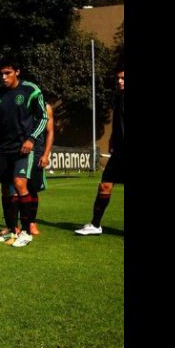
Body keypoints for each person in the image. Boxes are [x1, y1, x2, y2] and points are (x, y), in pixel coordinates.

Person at [0, 57, 49, 248]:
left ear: (17, 72)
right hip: (5, 148)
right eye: (0, 73)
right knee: (5, 189)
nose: (3, 77)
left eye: (7, 73)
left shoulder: (31, 90)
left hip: (24, 148)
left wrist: (31, 139)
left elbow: (43, 118)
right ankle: (11, 228)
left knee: (19, 183)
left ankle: (26, 232)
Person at [75, 64, 124, 235]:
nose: (119, 81)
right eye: (118, 78)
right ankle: (95, 225)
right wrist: (111, 139)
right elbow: (118, 125)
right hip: (119, 153)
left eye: (123, 78)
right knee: (104, 186)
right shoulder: (118, 98)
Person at [27, 96, 55, 235]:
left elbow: (50, 132)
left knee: (32, 189)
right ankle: (15, 225)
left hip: (37, 152)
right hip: (19, 150)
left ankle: (32, 222)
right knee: (16, 188)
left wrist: (45, 154)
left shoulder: (46, 107)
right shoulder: (20, 104)